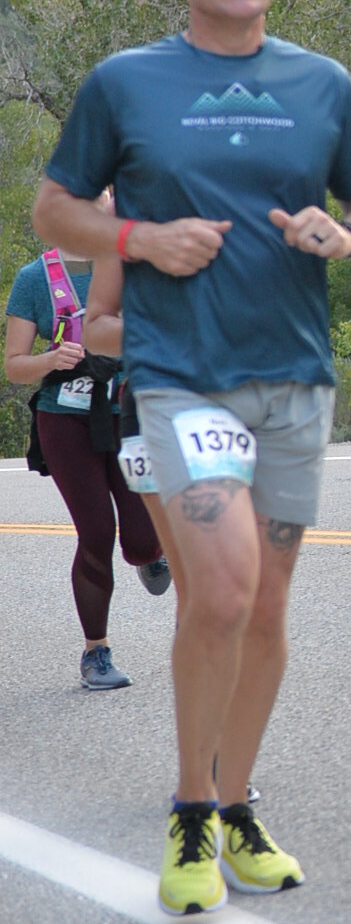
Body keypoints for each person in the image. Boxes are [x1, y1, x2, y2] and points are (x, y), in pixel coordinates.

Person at [30, 0, 351, 921]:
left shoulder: (322, 83)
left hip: (296, 377)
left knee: (267, 606)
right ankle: (191, 807)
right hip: (183, 374)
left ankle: (238, 804)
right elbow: (55, 208)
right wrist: (140, 240)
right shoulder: (127, 82)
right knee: (224, 591)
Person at [6, 197, 171, 688]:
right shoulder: (34, 279)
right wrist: (51, 360)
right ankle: (95, 653)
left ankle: (151, 553)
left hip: (129, 414)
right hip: (65, 420)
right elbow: (14, 366)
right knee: (96, 532)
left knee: (140, 540)